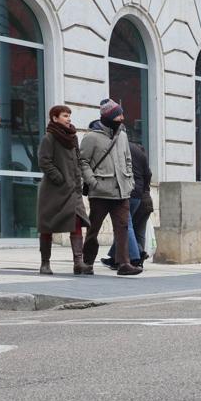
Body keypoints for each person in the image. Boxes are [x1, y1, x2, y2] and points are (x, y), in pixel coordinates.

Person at [79, 99, 141, 276]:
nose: (122, 117)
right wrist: (93, 182)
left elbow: (128, 159)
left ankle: (124, 264)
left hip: (122, 191)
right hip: (100, 192)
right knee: (94, 229)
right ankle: (87, 262)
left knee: (122, 228)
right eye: (118, 115)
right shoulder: (91, 137)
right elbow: (82, 161)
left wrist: (130, 181)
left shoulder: (123, 135)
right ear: (108, 116)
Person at [36, 105, 90, 274]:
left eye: (69, 116)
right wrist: (59, 178)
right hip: (53, 191)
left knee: (77, 223)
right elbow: (44, 161)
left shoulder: (72, 138)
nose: (68, 119)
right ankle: (45, 263)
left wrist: (80, 180)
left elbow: (78, 161)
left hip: (73, 190)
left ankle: (78, 262)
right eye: (65, 116)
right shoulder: (49, 138)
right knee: (47, 226)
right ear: (54, 118)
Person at [103, 140, 153, 270]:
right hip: (140, 195)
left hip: (126, 192)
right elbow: (148, 174)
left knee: (125, 226)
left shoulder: (117, 148)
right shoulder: (139, 151)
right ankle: (115, 258)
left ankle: (137, 256)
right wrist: (143, 189)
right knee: (130, 228)